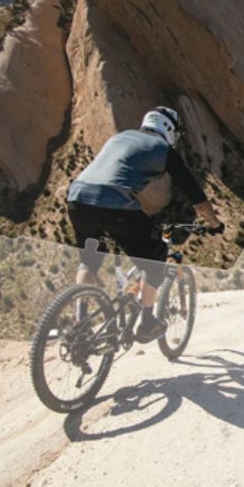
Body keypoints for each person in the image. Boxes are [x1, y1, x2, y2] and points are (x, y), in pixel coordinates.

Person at [66, 106, 223, 341]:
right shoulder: (164, 149)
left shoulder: (119, 137)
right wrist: (214, 224)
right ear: (170, 130)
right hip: (115, 205)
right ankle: (148, 323)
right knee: (155, 257)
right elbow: (195, 195)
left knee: (90, 260)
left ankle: (81, 323)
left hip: (77, 198)